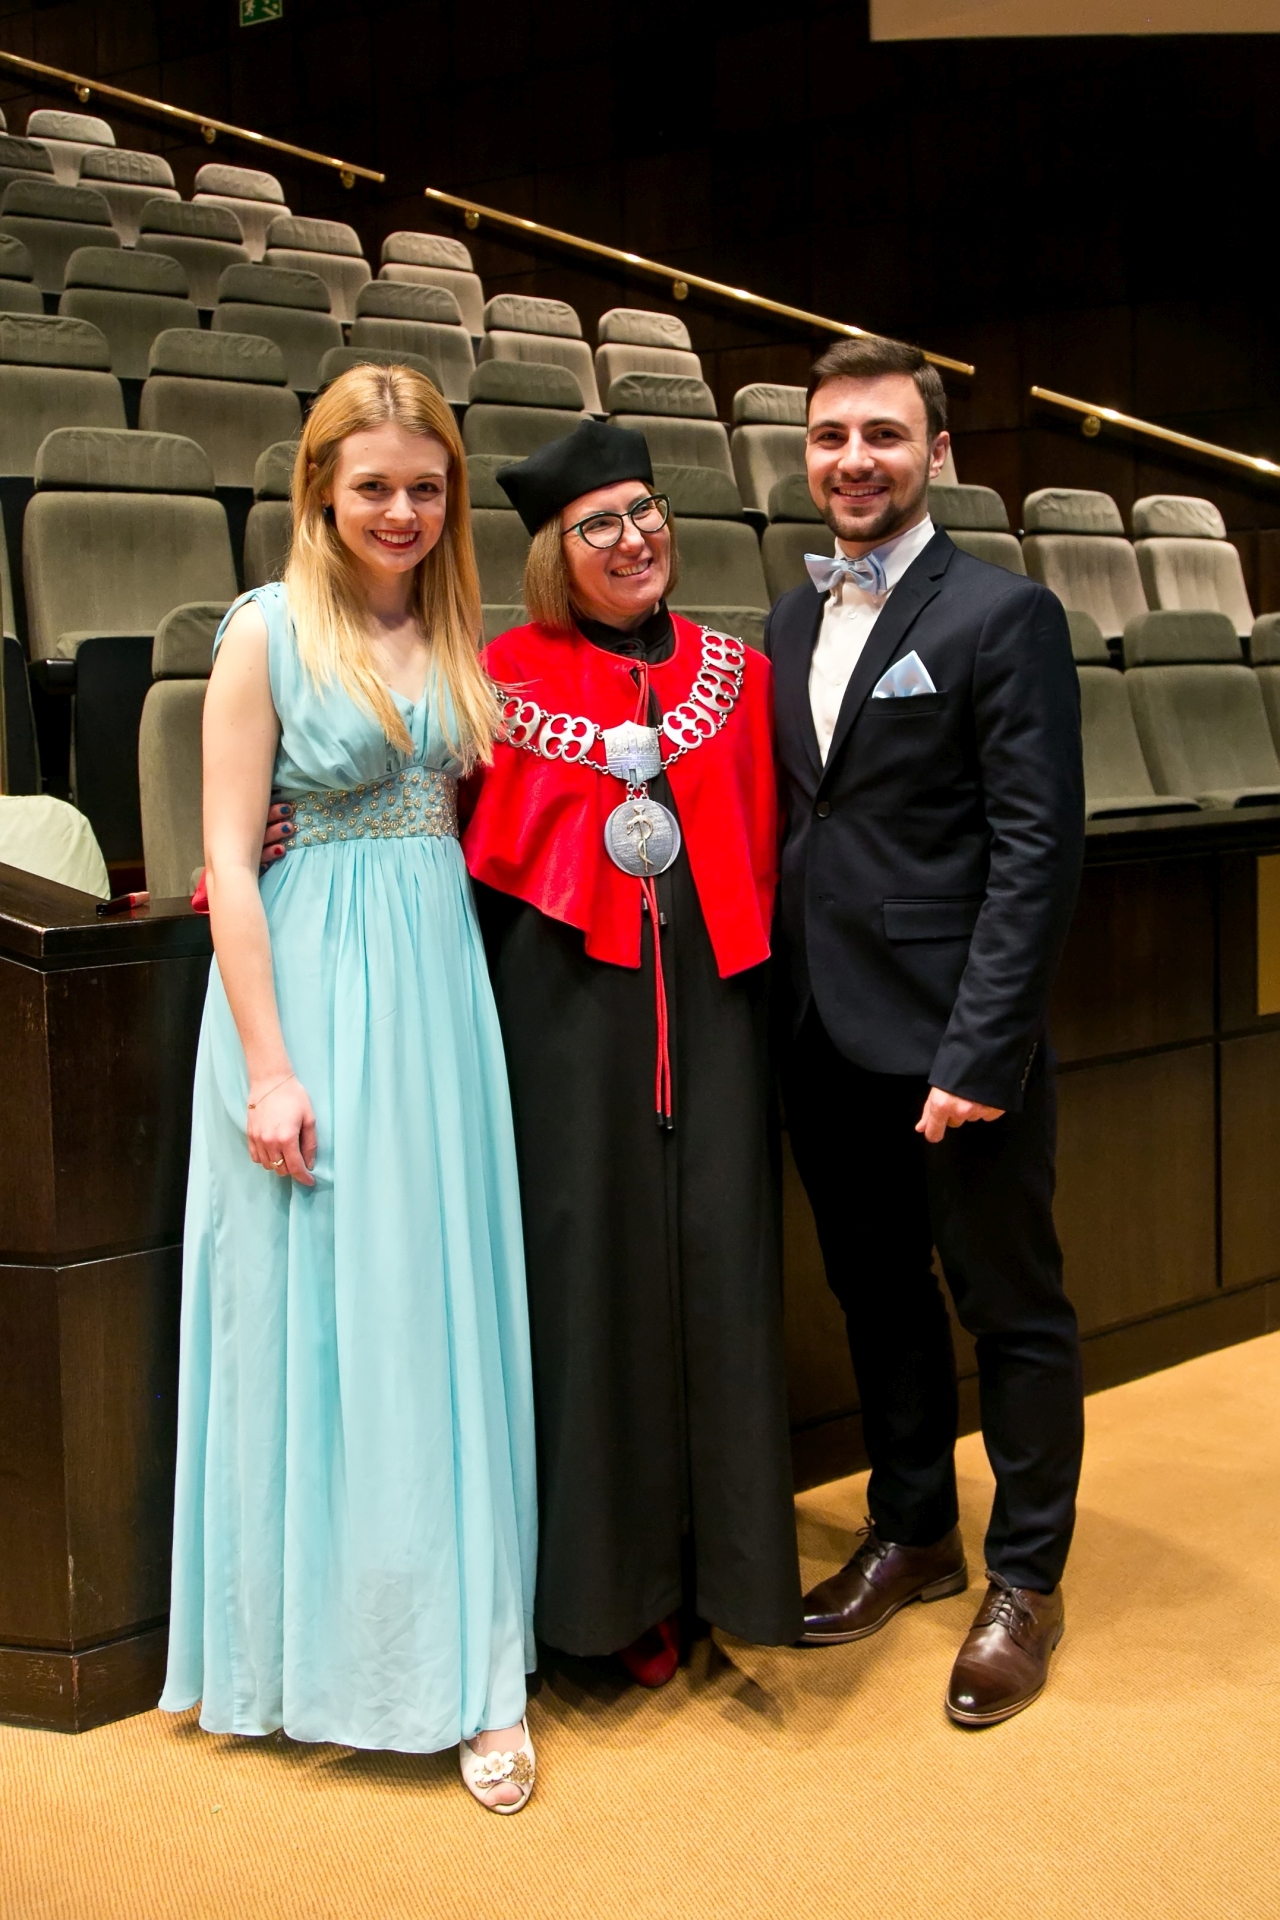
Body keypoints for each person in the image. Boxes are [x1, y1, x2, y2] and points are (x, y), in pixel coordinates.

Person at [160, 364, 540, 1814]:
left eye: (425, 488)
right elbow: (225, 863)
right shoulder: (263, 630)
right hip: (310, 991)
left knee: (435, 1319)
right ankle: (316, 1664)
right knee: (330, 1325)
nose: (401, 511)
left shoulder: (453, 626)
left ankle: (473, 1673)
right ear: (319, 485)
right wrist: (269, 1070)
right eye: (373, 484)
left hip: (437, 988)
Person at [767, 336, 1085, 1727]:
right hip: (821, 1032)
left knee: (1009, 1306)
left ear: (936, 452)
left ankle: (1025, 1577)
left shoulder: (1003, 616)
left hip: (958, 1045)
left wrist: (981, 1049)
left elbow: (1036, 851)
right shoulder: (786, 620)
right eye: (831, 437)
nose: (855, 461)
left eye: (883, 436)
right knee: (877, 1297)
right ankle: (912, 1533)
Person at [461, 420, 802, 1679]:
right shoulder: (495, 680)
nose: (631, 538)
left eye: (644, 511)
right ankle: (609, 1601)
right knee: (586, 1281)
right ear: (553, 550)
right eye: (596, 523)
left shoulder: (737, 675)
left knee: (721, 1272)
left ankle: (730, 1580)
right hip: (564, 1025)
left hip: (715, 1020)